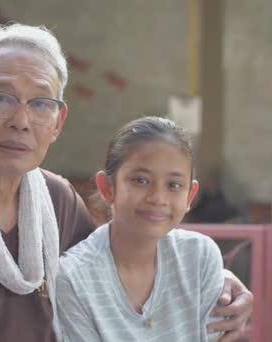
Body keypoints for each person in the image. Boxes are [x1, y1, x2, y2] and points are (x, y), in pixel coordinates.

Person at [0, 23, 253, 342]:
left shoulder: (57, 199)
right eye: (1, 98)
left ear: (58, 123)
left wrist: (219, 280)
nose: (21, 120)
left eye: (40, 103)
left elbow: (116, 267)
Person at [57, 116, 227, 341]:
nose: (158, 198)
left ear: (190, 196)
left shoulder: (200, 257)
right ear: (107, 187)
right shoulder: (73, 278)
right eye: (140, 180)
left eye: (174, 185)